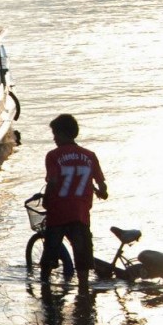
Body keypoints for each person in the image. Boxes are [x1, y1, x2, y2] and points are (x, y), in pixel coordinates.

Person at [40, 114, 107, 287]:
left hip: (58, 214)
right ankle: (84, 292)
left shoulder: (53, 156)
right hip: (80, 214)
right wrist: (100, 192)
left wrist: (46, 201)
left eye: (55, 134)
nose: (54, 138)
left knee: (49, 254)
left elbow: (53, 182)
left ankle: (45, 289)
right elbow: (102, 185)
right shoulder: (90, 156)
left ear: (61, 134)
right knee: (82, 258)